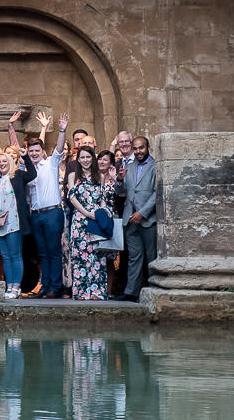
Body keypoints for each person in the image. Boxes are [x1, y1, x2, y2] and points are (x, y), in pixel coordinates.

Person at [24, 111, 70, 298]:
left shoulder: (51, 163)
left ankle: (55, 287)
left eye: (37, 150)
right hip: (36, 214)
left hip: (52, 213)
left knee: (53, 250)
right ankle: (45, 286)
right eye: (31, 151)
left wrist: (61, 130)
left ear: (42, 152)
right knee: (42, 253)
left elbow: (59, 148)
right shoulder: (27, 169)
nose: (34, 153)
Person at [114, 135, 157, 301]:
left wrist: (142, 213)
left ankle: (155, 290)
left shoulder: (155, 166)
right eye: (136, 148)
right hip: (130, 219)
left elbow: (156, 193)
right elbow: (121, 192)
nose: (138, 151)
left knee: (151, 257)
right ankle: (131, 292)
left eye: (141, 148)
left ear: (148, 148)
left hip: (148, 219)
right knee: (134, 257)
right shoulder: (129, 167)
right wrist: (119, 181)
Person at [0, 147, 35, 299]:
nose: (1, 164)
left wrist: (25, 157)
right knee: (5, 257)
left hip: (14, 223)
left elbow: (33, 174)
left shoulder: (18, 175)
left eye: (4, 161)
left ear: (10, 162)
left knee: (15, 255)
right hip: (0, 225)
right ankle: (9, 285)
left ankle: (17, 286)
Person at [65, 146, 110, 300]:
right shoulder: (73, 176)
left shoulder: (100, 177)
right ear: (78, 159)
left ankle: (97, 292)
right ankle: (82, 292)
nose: (85, 160)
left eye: (88, 157)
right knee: (80, 256)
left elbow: (103, 198)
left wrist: (102, 214)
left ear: (93, 159)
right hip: (80, 219)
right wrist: (87, 213)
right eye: (82, 157)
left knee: (97, 255)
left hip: (96, 219)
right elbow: (72, 198)